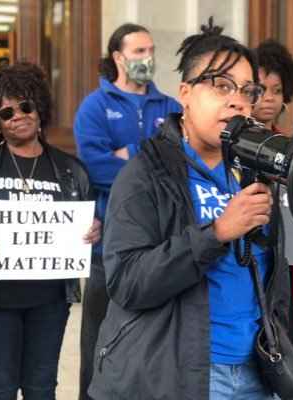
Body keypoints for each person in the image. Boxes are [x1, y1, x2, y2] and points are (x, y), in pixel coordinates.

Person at [88, 20, 290, 400]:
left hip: (256, 375)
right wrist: (217, 233)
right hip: (181, 376)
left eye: (248, 91)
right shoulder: (146, 173)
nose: (237, 101)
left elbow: (273, 280)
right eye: (221, 85)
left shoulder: (251, 173)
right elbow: (128, 282)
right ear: (185, 94)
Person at [0, 61, 101, 400]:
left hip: (50, 301)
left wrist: (94, 232)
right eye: (7, 112)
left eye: (25, 106)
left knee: (42, 388)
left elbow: (87, 230)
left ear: (39, 108)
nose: (19, 115)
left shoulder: (72, 171)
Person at [73, 22, 181, 400]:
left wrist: (129, 155)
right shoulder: (94, 107)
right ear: (118, 57)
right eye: (139, 51)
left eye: (151, 50)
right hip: (108, 250)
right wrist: (151, 158)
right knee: (98, 341)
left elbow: (182, 165)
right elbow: (94, 167)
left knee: (154, 343)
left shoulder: (171, 107)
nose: (148, 58)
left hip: (161, 247)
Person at [252, 39, 293, 353]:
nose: (269, 99)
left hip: (286, 274)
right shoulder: (223, 145)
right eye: (261, 89)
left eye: (277, 90)